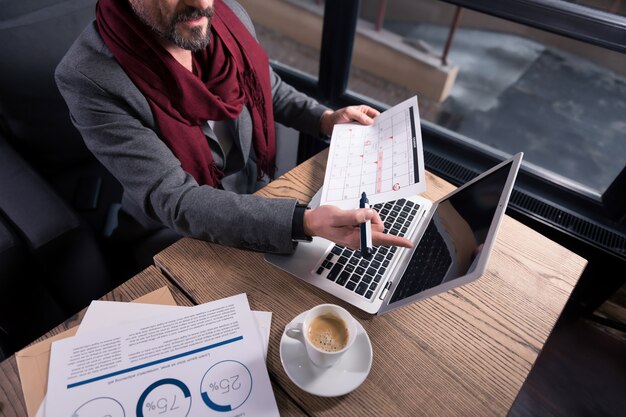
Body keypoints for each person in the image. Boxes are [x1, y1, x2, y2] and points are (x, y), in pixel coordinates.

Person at [55, 0, 412, 255]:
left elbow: (266, 88)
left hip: (260, 198)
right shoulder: (89, 78)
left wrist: (325, 119)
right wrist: (302, 222)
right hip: (178, 239)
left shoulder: (227, 18)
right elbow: (178, 201)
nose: (200, 5)